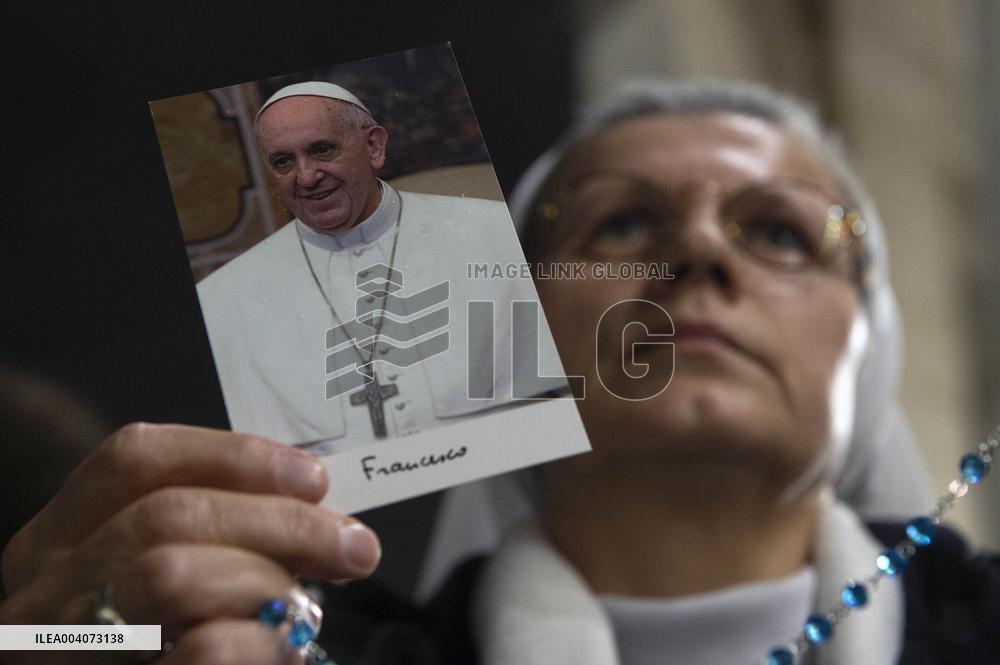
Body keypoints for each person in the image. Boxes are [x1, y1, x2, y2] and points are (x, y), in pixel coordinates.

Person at [1, 79, 997, 665]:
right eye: (622, 223)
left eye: (779, 232)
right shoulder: (280, 647)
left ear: (869, 342)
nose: (698, 253)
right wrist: (55, 642)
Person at [196, 81, 565, 450]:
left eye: (322, 150)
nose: (306, 177)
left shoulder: (501, 233)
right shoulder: (220, 301)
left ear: (374, 146)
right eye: (283, 162)